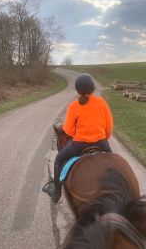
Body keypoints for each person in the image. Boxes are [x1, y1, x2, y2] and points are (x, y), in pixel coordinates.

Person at [51, 74, 113, 202]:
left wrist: (76, 134)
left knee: (58, 160)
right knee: (114, 163)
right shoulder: (101, 102)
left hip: (79, 145)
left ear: (78, 90)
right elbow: (109, 125)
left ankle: (57, 194)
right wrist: (104, 137)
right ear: (93, 88)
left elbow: (67, 130)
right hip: (101, 143)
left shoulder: (74, 106)